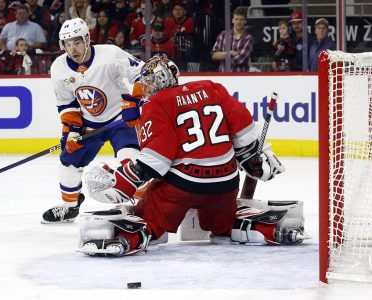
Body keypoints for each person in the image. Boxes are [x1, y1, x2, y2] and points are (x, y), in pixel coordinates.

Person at [78, 56, 304, 257]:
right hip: (225, 184)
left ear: (158, 82)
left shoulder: (158, 103)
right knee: (224, 225)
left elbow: (158, 158)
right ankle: (272, 229)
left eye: (147, 83)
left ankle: (125, 240)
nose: (145, 89)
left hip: (183, 186)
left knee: (149, 217)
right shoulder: (212, 88)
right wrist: (253, 161)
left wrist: (122, 181)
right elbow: (244, 131)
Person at [41, 17, 144, 223]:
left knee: (131, 160)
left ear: (87, 39)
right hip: (89, 126)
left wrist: (133, 101)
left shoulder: (110, 54)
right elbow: (66, 102)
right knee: (68, 162)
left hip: (119, 119)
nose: (73, 49)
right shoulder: (59, 67)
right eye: (68, 44)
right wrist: (70, 130)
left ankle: (145, 203)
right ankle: (70, 206)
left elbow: (142, 73)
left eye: (77, 42)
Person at [211, 7, 254, 72]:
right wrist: (230, 53)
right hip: (223, 76)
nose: (239, 22)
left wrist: (222, 56)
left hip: (240, 77)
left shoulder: (248, 38)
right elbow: (214, 55)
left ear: (245, 21)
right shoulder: (223, 35)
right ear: (232, 20)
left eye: (241, 19)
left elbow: (240, 59)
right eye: (236, 19)